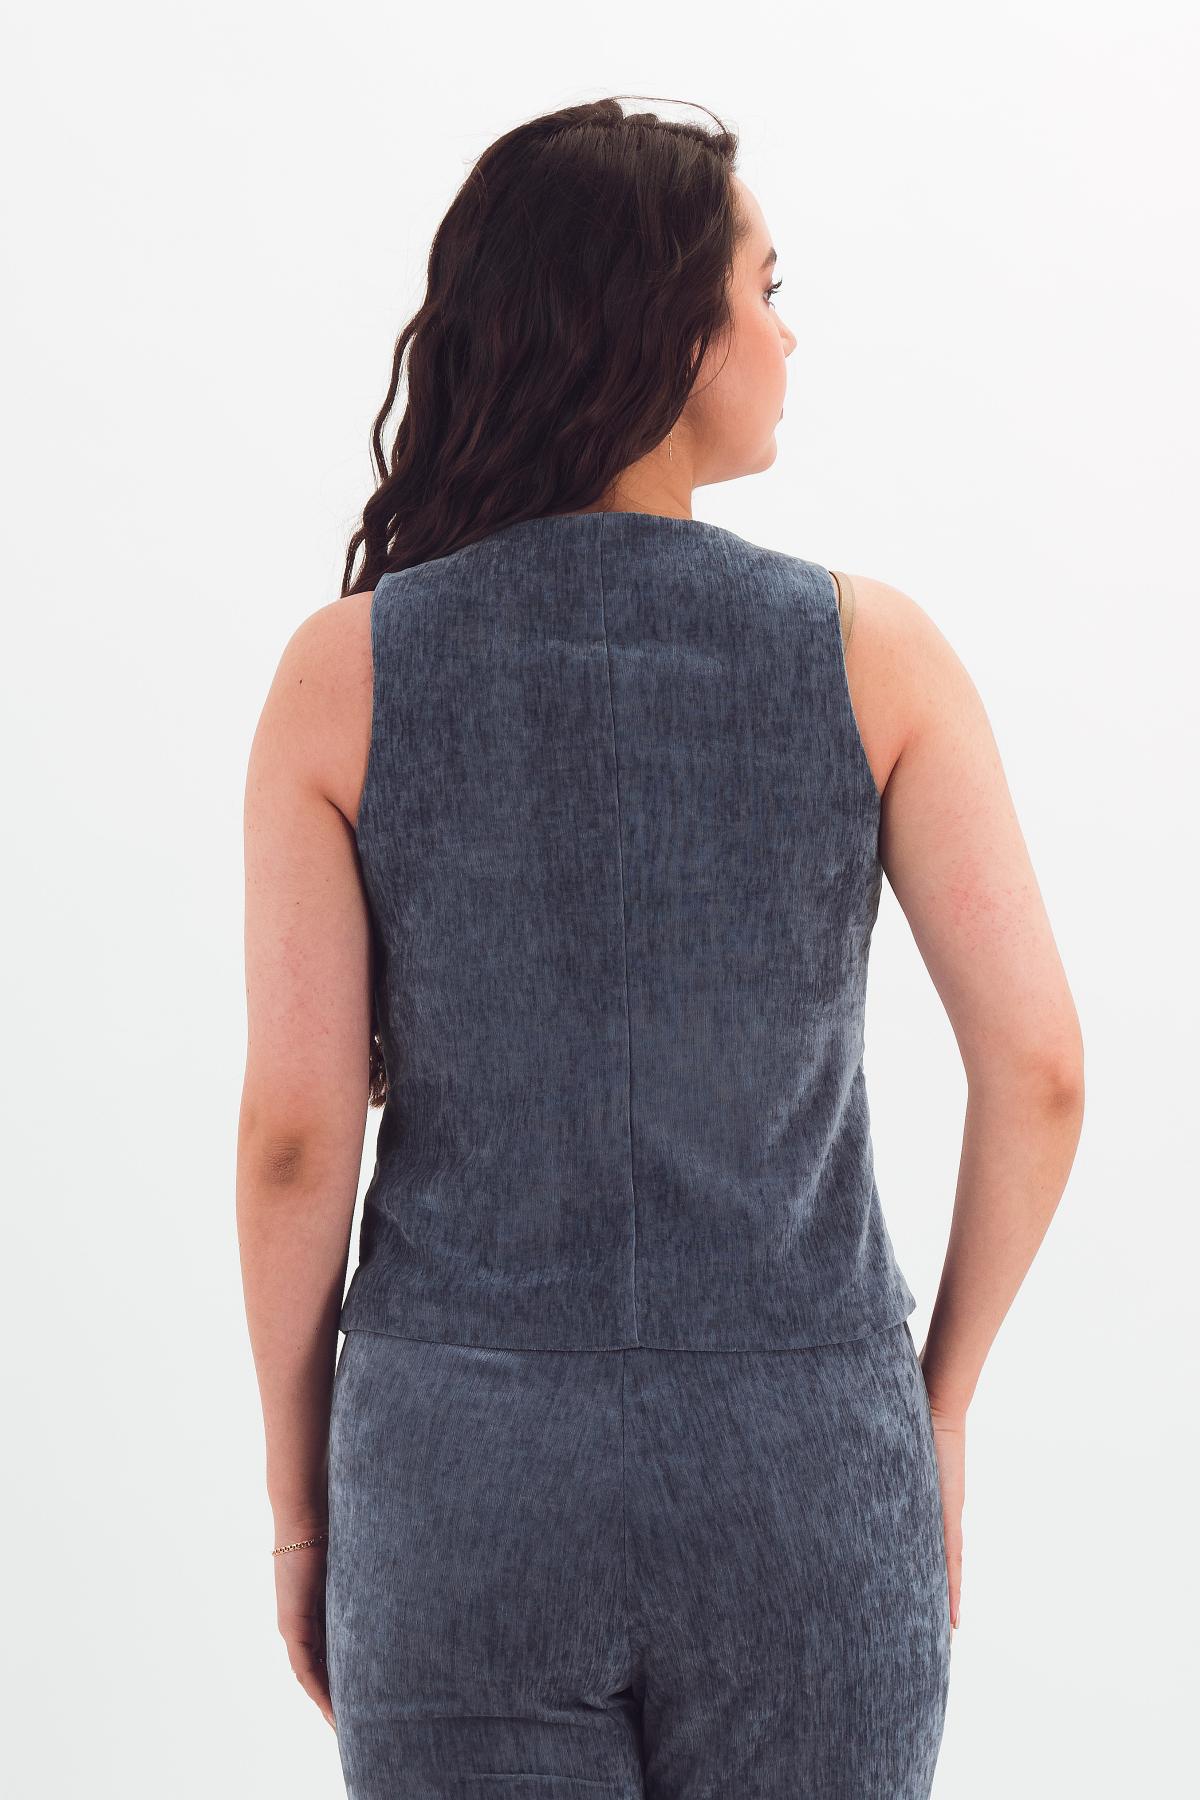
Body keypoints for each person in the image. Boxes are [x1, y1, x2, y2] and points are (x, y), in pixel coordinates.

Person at [237, 97, 1085, 1799]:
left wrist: (300, 1500)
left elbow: (297, 1143)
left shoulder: (344, 677)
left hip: (460, 1475)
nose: (787, 333)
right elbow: (1044, 1072)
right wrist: (938, 1404)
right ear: (671, 333)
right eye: (766, 290)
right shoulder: (875, 655)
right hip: (806, 1463)